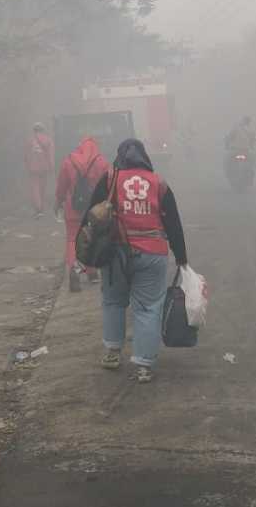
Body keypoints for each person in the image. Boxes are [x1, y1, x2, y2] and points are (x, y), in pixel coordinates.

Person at [83, 139, 188, 384]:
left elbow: (91, 215)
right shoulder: (158, 183)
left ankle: (112, 353)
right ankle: (144, 365)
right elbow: (173, 223)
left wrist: (85, 255)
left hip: (114, 254)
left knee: (113, 301)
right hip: (152, 254)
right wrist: (181, 257)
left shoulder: (109, 179)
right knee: (149, 308)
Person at [54, 136, 109, 292]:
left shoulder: (69, 161)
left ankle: (74, 269)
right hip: (94, 210)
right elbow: (108, 186)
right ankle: (92, 273)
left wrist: (58, 202)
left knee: (72, 239)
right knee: (92, 238)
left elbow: (61, 186)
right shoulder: (101, 162)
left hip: (73, 208)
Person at [24, 122, 54, 219]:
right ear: (43, 130)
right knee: (43, 187)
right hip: (44, 167)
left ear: (34, 130)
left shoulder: (29, 141)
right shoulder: (48, 140)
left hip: (33, 168)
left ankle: (38, 209)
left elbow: (26, 155)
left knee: (35, 188)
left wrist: (28, 166)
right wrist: (51, 167)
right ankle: (41, 208)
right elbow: (50, 155)